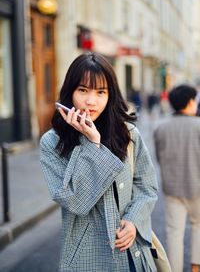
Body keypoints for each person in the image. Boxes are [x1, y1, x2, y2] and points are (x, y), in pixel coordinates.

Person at [40, 52, 158, 272]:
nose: (91, 101)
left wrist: (133, 221)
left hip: (131, 253)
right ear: (70, 92)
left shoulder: (127, 133)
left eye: (100, 92)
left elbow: (146, 187)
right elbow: (75, 201)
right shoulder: (52, 142)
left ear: (110, 95)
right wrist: (92, 144)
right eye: (83, 90)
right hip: (87, 256)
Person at [154, 84, 200, 272]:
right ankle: (196, 268)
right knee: (198, 227)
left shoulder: (160, 127)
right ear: (190, 102)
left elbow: (159, 157)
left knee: (174, 233)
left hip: (171, 188)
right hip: (197, 187)